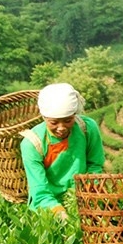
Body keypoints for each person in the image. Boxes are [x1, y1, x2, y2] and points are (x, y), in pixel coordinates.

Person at [21, 83, 106, 221]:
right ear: (43, 117)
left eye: (68, 120)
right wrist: (58, 211)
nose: (61, 128)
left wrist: (88, 195)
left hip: (83, 200)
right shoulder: (32, 143)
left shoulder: (87, 128)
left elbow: (95, 165)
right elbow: (39, 189)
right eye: (53, 123)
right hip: (46, 204)